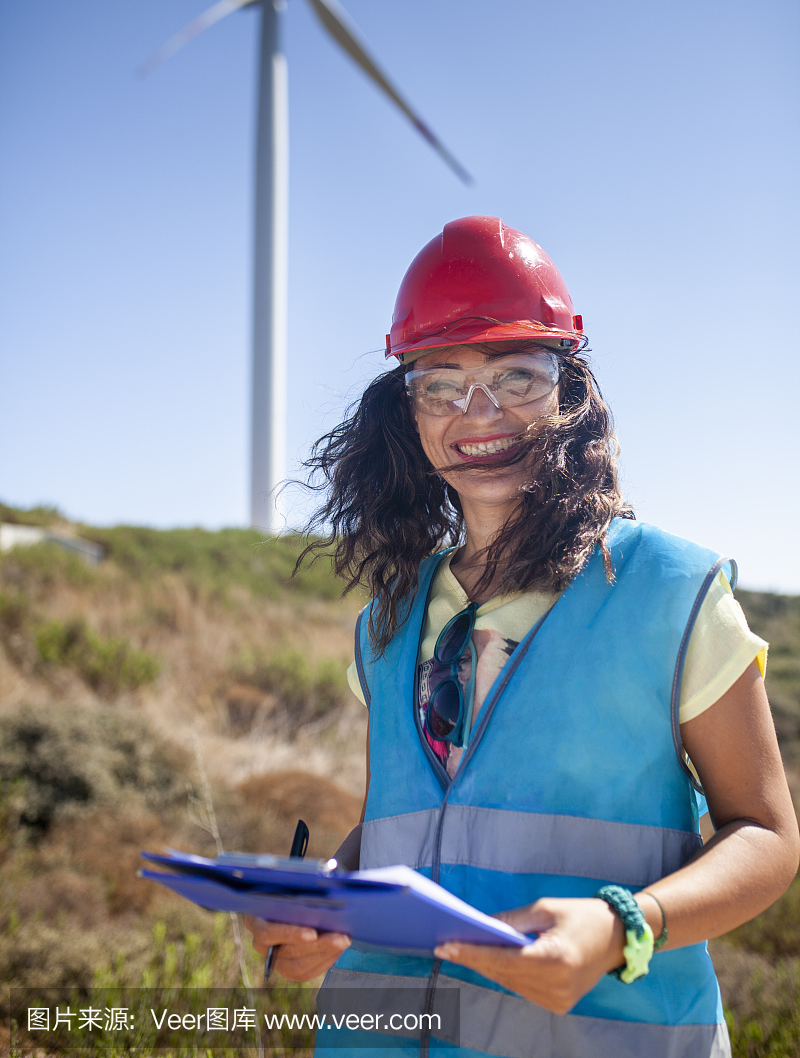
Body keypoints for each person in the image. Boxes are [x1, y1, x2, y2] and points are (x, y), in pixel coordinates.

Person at [247, 216, 799, 1058]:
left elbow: (765, 836)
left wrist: (627, 927)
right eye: (443, 383)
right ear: (408, 409)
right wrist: (328, 904)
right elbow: (406, 825)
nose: (481, 413)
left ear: (570, 393)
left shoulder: (670, 593)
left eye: (517, 375)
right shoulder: (387, 621)